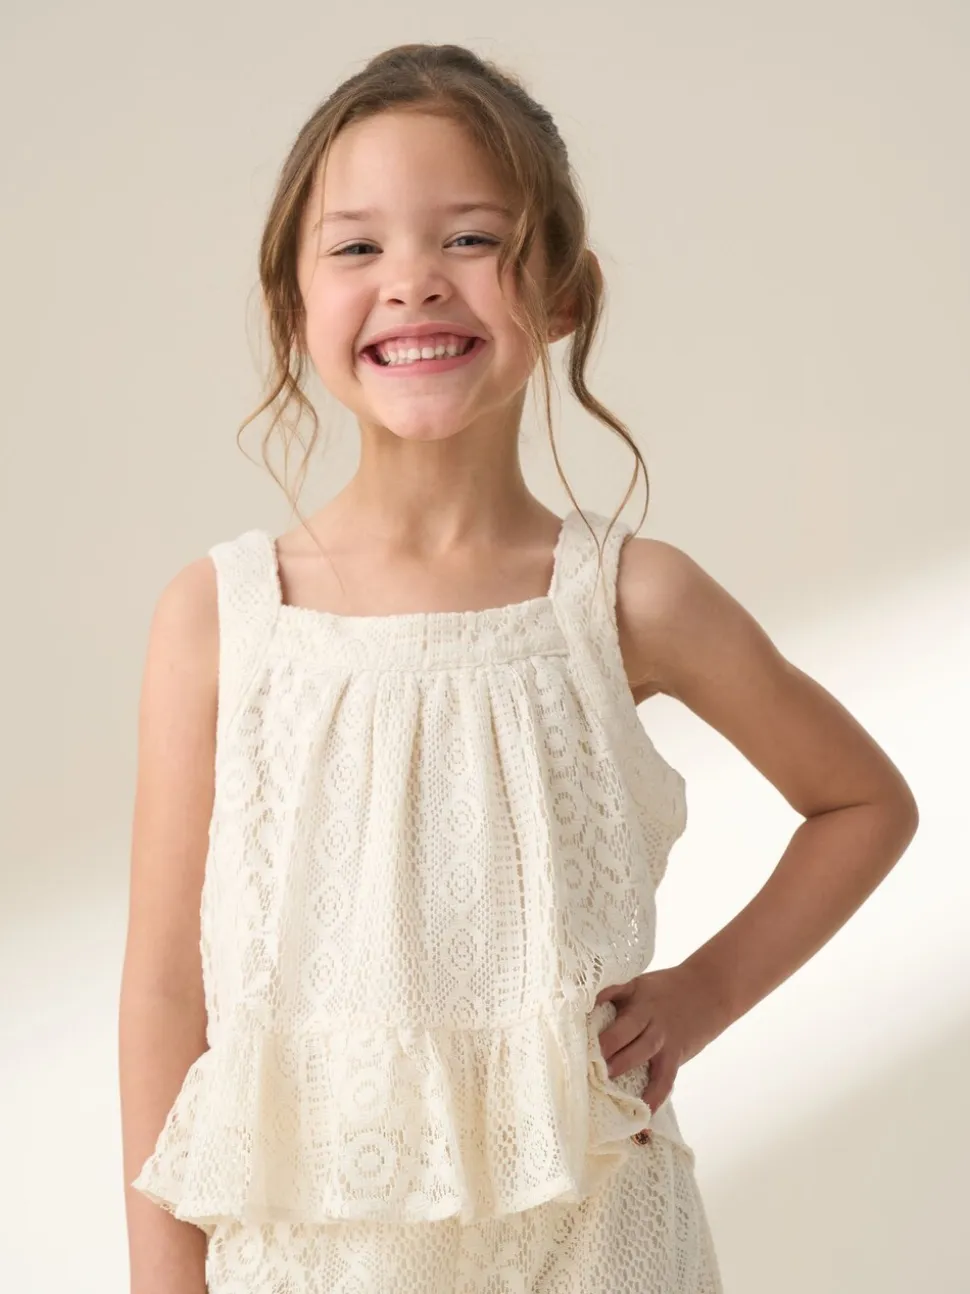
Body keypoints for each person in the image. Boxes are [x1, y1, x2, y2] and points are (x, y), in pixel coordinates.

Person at [118, 42, 920, 1294]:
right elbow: (168, 991)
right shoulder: (222, 616)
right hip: (313, 1259)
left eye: (473, 239)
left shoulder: (627, 599)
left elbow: (864, 802)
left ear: (561, 295)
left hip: (591, 1239)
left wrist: (703, 994)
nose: (413, 282)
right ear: (291, 303)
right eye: (357, 246)